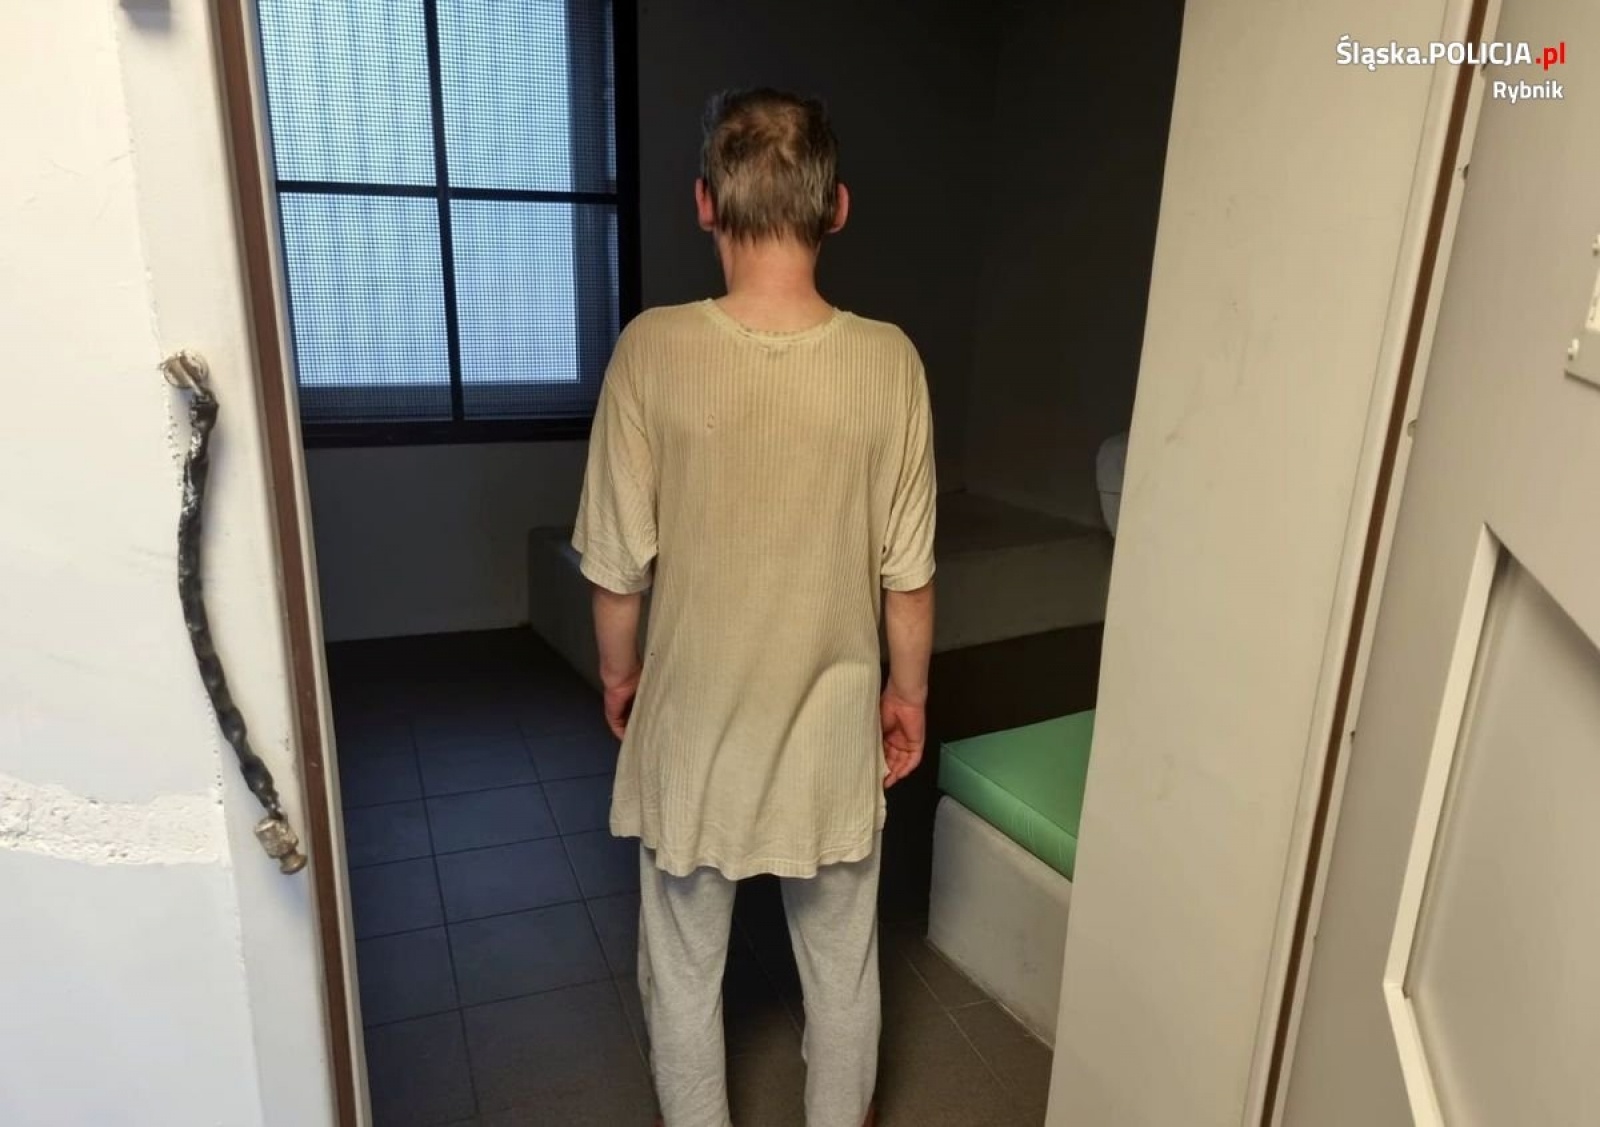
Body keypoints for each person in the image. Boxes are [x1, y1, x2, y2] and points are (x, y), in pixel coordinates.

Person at [573, 87, 937, 1127]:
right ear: (836, 207)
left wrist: (620, 674)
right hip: (831, 735)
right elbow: (907, 576)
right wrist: (907, 695)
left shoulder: (650, 350)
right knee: (843, 965)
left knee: (682, 970)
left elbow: (616, 567)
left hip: (693, 728)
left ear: (704, 202)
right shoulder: (890, 362)